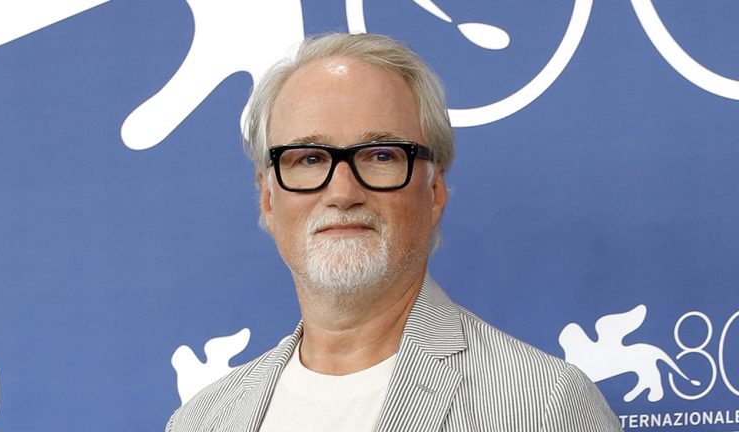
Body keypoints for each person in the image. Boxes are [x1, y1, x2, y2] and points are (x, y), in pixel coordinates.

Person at [166, 33, 621, 432]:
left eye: (381, 156)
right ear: (268, 198)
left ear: (435, 190)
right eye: (308, 159)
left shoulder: (541, 407)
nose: (343, 192)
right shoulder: (202, 419)